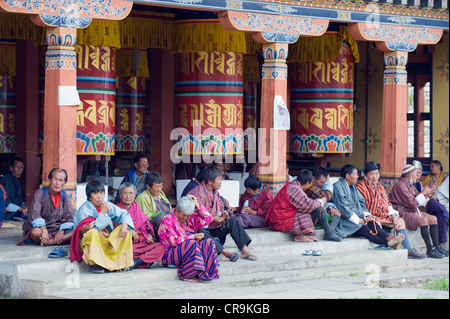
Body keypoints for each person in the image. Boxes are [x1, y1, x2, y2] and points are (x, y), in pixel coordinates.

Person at [356, 162, 426, 259]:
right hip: (371, 216)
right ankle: (390, 242)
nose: (375, 177)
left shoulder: (380, 187)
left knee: (400, 221)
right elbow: (360, 205)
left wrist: (393, 215)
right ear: (366, 175)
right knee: (376, 224)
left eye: (376, 174)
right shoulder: (360, 187)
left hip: (384, 216)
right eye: (372, 174)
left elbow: (388, 203)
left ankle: (409, 250)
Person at [188, 165, 256, 261]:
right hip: (200, 228)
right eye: (219, 179)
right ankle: (225, 252)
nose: (221, 182)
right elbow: (196, 217)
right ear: (210, 181)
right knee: (200, 231)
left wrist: (223, 214)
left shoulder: (215, 192)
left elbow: (220, 206)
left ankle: (244, 250)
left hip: (213, 226)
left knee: (233, 221)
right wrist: (213, 218)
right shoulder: (197, 193)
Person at [332, 164, 404, 248]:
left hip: (358, 216)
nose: (357, 176)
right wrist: (358, 220)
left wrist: (367, 215)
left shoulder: (353, 187)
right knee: (365, 229)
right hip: (346, 220)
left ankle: (389, 238)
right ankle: (389, 243)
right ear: (347, 176)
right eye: (355, 174)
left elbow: (361, 203)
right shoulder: (338, 186)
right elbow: (343, 207)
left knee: (372, 222)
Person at [70, 180, 135, 274]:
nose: (99, 196)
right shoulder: (84, 210)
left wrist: (124, 225)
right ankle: (97, 265)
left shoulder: (107, 205)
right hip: (88, 240)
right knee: (93, 233)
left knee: (127, 230)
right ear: (89, 196)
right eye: (95, 193)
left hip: (106, 238)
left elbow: (124, 214)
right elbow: (89, 230)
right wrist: (103, 213)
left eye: (101, 193)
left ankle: (119, 264)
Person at [389, 164, 447, 258]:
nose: (417, 176)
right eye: (416, 174)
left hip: (412, 210)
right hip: (403, 211)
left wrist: (426, 194)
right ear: (409, 175)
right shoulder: (401, 185)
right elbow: (412, 203)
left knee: (433, 218)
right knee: (423, 220)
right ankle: (430, 249)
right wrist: (423, 193)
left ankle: (436, 247)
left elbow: (416, 202)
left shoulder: (409, 185)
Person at [157, 196, 220, 282]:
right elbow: (173, 242)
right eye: (183, 215)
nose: (185, 218)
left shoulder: (190, 219)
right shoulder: (168, 220)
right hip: (171, 253)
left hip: (190, 248)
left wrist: (197, 205)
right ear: (177, 211)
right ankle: (187, 274)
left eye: (188, 216)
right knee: (192, 243)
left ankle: (205, 274)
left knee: (209, 242)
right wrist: (192, 236)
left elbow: (208, 218)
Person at [266, 170, 340, 242]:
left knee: (318, 208)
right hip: (280, 221)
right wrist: (321, 201)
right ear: (308, 182)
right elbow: (308, 206)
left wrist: (318, 202)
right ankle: (301, 236)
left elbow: (305, 202)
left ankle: (325, 233)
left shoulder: (292, 185)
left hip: (280, 217)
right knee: (317, 208)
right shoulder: (295, 189)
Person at [19, 168, 76, 252]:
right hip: (41, 229)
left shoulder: (64, 196)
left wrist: (61, 231)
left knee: (77, 231)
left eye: (61, 180)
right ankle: (55, 240)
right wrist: (44, 229)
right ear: (50, 179)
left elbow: (70, 217)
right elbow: (35, 215)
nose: (57, 183)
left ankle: (50, 241)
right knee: (36, 232)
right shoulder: (40, 193)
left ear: (64, 182)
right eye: (55, 179)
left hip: (57, 229)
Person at [116, 182, 166, 269]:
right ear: (120, 195)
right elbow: (113, 228)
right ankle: (145, 261)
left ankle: (135, 263)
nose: (128, 197)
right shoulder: (116, 209)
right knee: (122, 254)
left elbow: (146, 224)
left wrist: (149, 235)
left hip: (142, 243)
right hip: (127, 244)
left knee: (161, 247)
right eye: (125, 193)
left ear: (135, 195)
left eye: (131, 194)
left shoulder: (137, 208)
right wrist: (129, 231)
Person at [304, 167, 341, 235]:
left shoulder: (319, 186)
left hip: (322, 210)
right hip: (311, 214)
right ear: (313, 178)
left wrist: (330, 207)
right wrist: (328, 183)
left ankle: (331, 230)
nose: (323, 184)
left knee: (337, 211)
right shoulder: (310, 187)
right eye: (322, 182)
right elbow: (326, 197)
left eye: (324, 182)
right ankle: (330, 232)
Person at [0, 156, 28, 221]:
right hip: (7, 215)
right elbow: (6, 202)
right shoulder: (8, 180)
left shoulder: (16, 180)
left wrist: (24, 205)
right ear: (11, 168)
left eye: (22, 167)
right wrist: (21, 209)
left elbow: (16, 200)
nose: (20, 170)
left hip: (14, 212)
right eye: (17, 167)